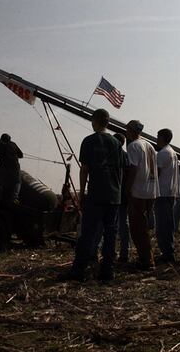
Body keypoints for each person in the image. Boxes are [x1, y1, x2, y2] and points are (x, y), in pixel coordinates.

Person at [58, 109, 125, 282]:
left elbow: (85, 169)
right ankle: (107, 271)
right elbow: (122, 168)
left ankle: (78, 270)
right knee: (110, 234)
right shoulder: (116, 143)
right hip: (114, 196)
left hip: (97, 195)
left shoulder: (89, 141)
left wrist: (81, 193)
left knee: (88, 233)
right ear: (108, 123)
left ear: (94, 121)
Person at [125, 120, 159, 270]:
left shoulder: (133, 146)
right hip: (151, 191)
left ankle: (146, 260)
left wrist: (127, 188)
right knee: (143, 227)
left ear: (130, 130)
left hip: (139, 191)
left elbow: (132, 169)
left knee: (137, 228)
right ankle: (147, 257)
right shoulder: (149, 146)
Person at [154, 128, 180, 263]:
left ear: (163, 137)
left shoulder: (162, 153)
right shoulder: (172, 152)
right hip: (171, 192)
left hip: (163, 193)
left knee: (163, 225)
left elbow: (156, 173)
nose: (156, 139)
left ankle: (167, 253)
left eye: (158, 137)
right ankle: (168, 251)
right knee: (168, 224)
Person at [0, 133, 23, 209]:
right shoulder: (13, 144)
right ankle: (14, 198)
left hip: (2, 168)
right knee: (17, 182)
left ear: (1, 139)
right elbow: (21, 155)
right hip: (15, 168)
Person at [113, 132, 132, 263]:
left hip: (113, 195)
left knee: (110, 225)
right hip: (124, 195)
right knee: (123, 224)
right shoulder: (126, 156)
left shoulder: (112, 155)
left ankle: (111, 252)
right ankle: (124, 252)